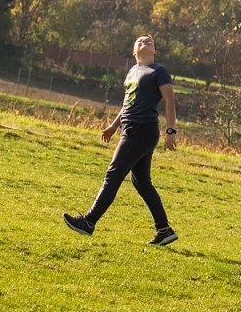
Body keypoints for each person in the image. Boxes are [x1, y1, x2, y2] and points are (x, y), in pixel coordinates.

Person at [64, 35, 179, 246]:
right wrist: (113, 125)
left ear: (155, 51)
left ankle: (88, 222)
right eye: (141, 40)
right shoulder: (132, 72)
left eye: (150, 41)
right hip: (130, 128)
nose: (145, 41)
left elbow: (170, 99)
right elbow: (127, 103)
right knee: (142, 182)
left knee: (113, 174)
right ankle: (164, 230)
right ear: (134, 50)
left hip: (142, 131)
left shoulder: (159, 71)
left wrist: (171, 130)